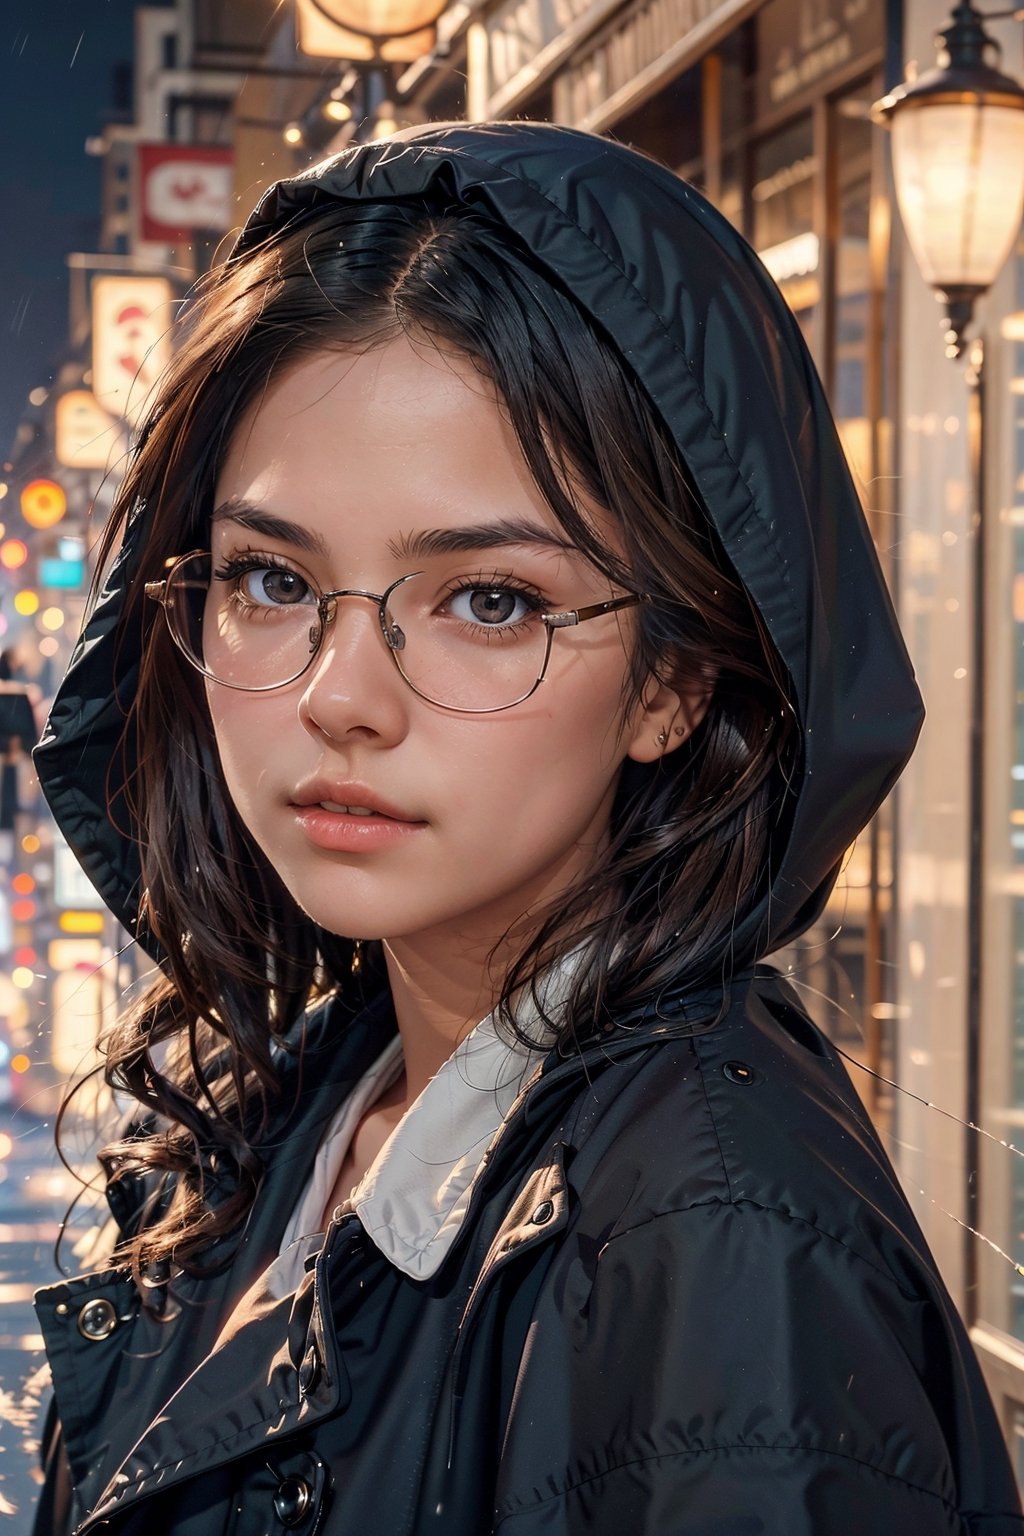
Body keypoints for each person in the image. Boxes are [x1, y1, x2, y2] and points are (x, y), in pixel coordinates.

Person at [30, 121, 1022, 1536]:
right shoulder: (317, 1100)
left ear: (677, 679)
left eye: (490, 599)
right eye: (269, 577)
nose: (341, 697)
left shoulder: (717, 1251)